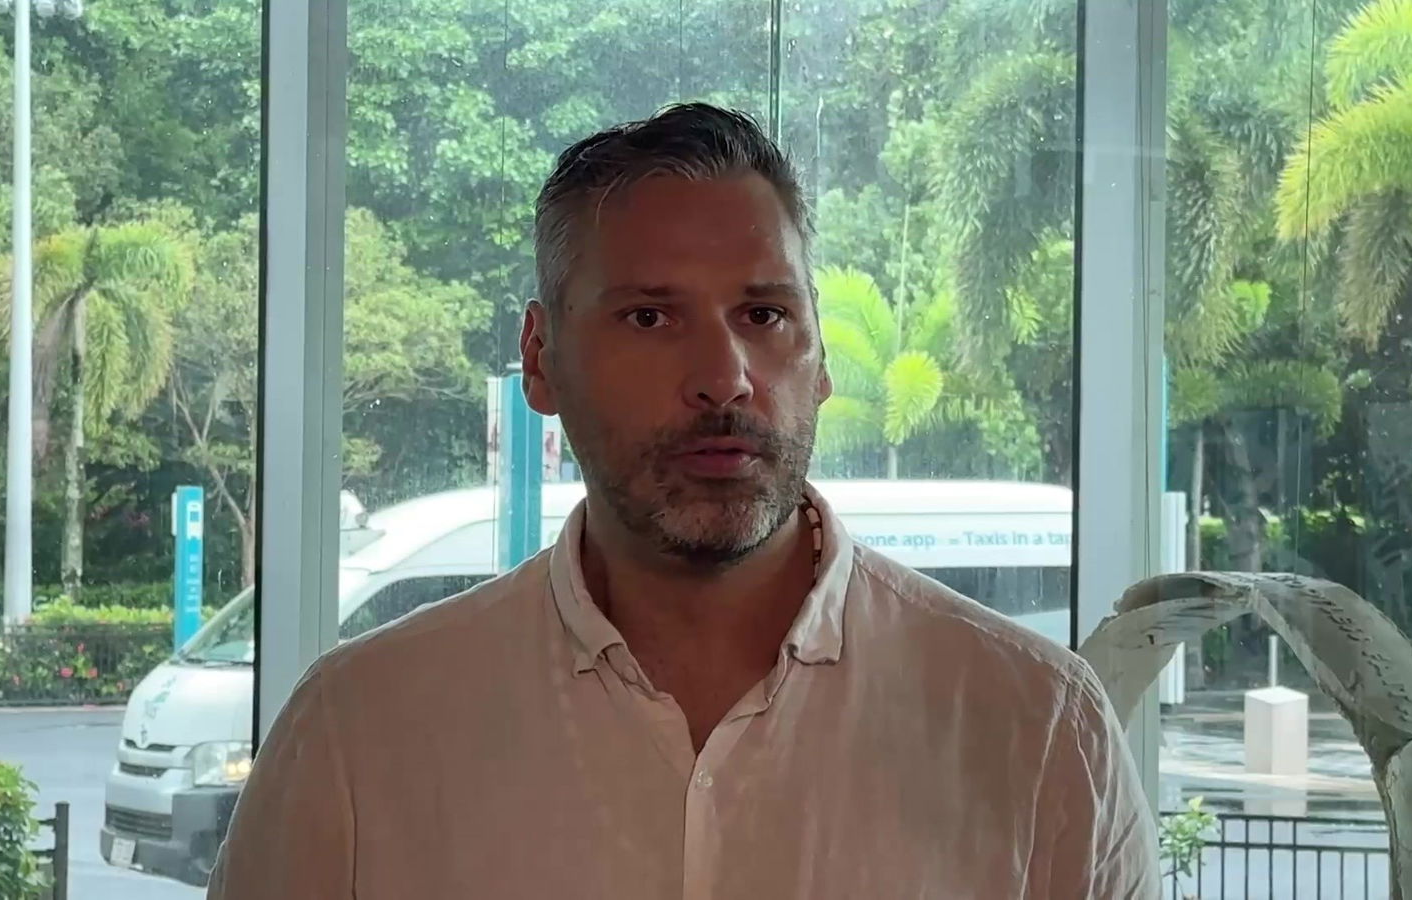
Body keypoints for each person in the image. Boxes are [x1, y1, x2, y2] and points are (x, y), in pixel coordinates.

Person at [207, 103, 1159, 899]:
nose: (723, 376)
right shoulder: (362, 733)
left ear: (821, 356)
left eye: (764, 314)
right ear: (540, 358)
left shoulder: (1037, 726)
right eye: (650, 316)